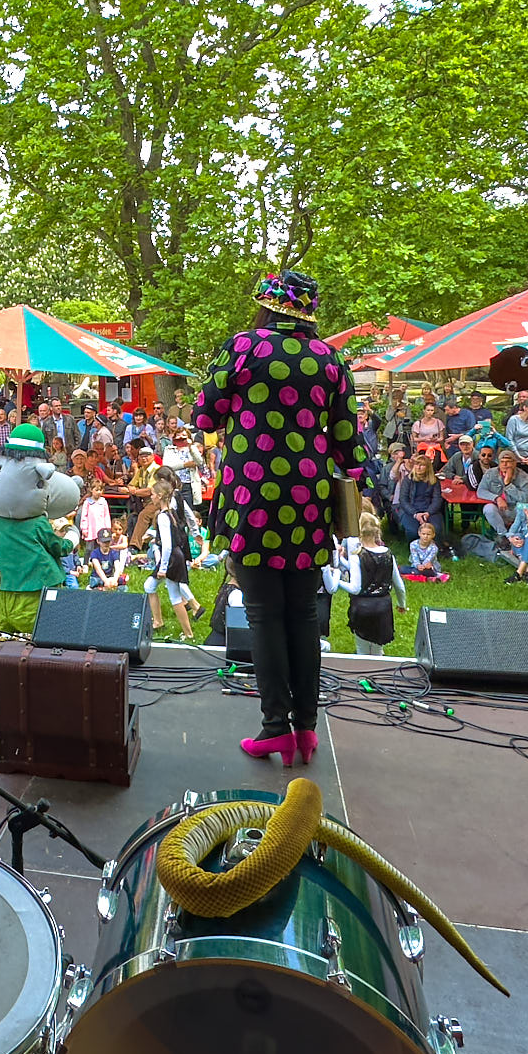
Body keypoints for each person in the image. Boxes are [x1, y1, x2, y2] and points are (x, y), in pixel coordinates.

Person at [193, 269, 364, 770]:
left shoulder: (244, 347)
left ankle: (275, 730)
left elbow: (205, 416)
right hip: (309, 498)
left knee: (264, 614)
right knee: (304, 613)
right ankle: (306, 729)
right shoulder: (330, 358)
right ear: (309, 313)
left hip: (253, 495)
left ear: (267, 306)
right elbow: (348, 443)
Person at [131, 469, 200, 639]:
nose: (151, 497)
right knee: (164, 591)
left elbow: (168, 545)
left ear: (160, 496)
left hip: (171, 559)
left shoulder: (162, 517)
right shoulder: (171, 511)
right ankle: (182, 630)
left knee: (166, 592)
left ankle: (183, 629)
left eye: (153, 495)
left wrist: (162, 568)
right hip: (176, 556)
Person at [329, 514, 406, 655]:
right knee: (378, 649)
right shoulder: (388, 554)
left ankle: (364, 668)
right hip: (382, 607)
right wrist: (402, 604)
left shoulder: (358, 555)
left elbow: (355, 588)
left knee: (362, 650)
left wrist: (337, 579)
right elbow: (399, 585)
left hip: (362, 608)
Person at [477, 449, 527, 537]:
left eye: (508, 462)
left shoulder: (524, 477)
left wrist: (508, 484)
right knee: (488, 509)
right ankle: (503, 535)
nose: (505, 464)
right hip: (499, 508)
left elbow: (525, 498)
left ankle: (517, 534)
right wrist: (497, 498)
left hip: (515, 508)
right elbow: (481, 491)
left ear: (514, 463)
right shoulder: (490, 473)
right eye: (502, 462)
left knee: (525, 507)